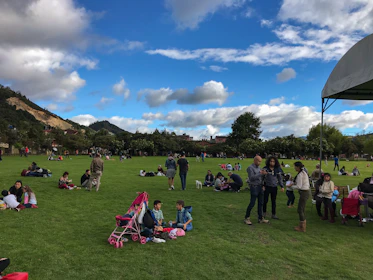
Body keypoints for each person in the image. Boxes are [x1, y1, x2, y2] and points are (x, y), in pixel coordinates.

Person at [244, 156, 269, 225]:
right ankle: (247, 217)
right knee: (252, 203)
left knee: (261, 203)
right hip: (254, 187)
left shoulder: (259, 168)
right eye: (258, 161)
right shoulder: (250, 168)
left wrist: (264, 175)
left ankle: (260, 218)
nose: (260, 163)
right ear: (254, 160)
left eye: (260, 161)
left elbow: (261, 178)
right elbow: (251, 178)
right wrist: (260, 173)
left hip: (260, 187)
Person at [288, 162, 310, 232]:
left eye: (295, 166)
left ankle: (302, 227)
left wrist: (291, 186)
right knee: (301, 209)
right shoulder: (302, 172)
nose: (294, 168)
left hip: (304, 192)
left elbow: (299, 186)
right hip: (304, 192)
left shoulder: (301, 174)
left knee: (300, 209)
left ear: (298, 167)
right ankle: (301, 225)